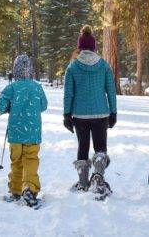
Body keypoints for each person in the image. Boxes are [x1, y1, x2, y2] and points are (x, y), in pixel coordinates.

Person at [63, 25, 117, 199]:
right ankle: (99, 177)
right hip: (101, 113)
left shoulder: (72, 67)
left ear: (79, 47)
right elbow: (111, 90)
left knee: (83, 147)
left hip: (79, 114)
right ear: (94, 47)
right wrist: (113, 112)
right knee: (100, 147)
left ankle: (83, 182)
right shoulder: (104, 65)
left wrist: (66, 114)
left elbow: (68, 92)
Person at [0, 54, 48, 207]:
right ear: (30, 70)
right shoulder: (37, 87)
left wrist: (9, 105)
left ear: (15, 71)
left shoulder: (11, 88)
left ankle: (15, 191)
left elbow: (0, 107)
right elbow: (44, 106)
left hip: (16, 134)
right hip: (33, 133)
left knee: (16, 162)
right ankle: (30, 190)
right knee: (31, 161)